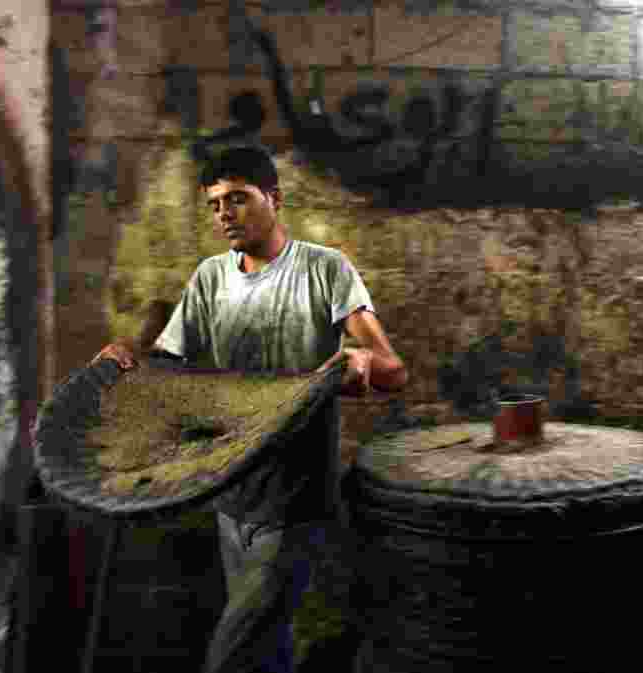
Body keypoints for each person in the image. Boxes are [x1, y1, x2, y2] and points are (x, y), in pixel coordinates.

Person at [92, 145, 408, 673]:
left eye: (238, 199)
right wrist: (129, 356)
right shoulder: (210, 279)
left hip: (295, 501)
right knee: (270, 648)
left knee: (231, 656)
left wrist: (358, 366)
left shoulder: (325, 271)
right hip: (231, 497)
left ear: (274, 199)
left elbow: (392, 369)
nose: (225, 214)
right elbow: (168, 370)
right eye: (215, 204)